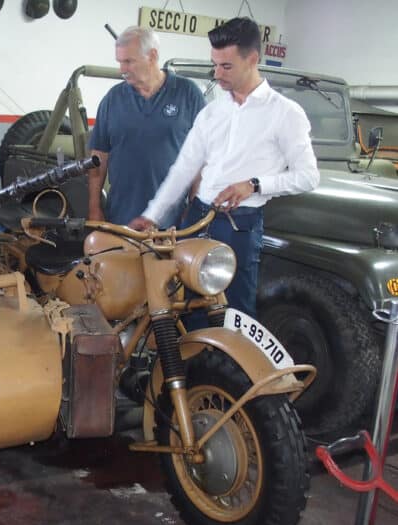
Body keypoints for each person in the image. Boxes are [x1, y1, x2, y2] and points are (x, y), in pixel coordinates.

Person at [129, 17, 319, 317]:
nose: (217, 74)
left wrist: (254, 185)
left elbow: (309, 176)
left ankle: (229, 365)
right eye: (214, 65)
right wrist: (151, 215)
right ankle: (191, 364)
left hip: (237, 226)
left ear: (253, 59)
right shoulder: (212, 113)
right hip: (197, 219)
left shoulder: (285, 114)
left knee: (233, 312)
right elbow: (183, 170)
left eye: (226, 66)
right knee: (187, 307)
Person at [87, 26, 205, 226]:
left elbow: (202, 159)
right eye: (120, 62)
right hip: (119, 222)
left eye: (128, 61)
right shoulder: (113, 99)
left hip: (171, 226)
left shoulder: (188, 95)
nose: (122, 69)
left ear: (152, 56)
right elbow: (98, 157)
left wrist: (195, 209)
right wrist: (94, 207)